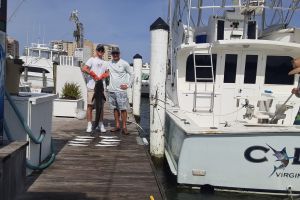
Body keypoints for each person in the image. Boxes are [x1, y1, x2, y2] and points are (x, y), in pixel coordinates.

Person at [82, 44, 109, 133]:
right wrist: (93, 75)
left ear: (104, 52)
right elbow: (84, 68)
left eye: (102, 50)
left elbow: (108, 73)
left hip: (101, 88)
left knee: (101, 107)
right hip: (91, 87)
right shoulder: (91, 60)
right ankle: (89, 124)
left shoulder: (106, 63)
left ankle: (100, 124)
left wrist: (101, 76)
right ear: (96, 51)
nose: (100, 52)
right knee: (90, 106)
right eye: (99, 50)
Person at [107, 47, 134, 135]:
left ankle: (124, 127)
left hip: (121, 91)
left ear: (119, 54)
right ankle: (117, 126)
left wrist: (128, 85)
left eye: (116, 53)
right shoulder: (108, 63)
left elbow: (132, 74)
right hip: (111, 90)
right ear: (111, 54)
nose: (115, 55)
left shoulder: (124, 63)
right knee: (115, 109)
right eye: (113, 53)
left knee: (123, 109)